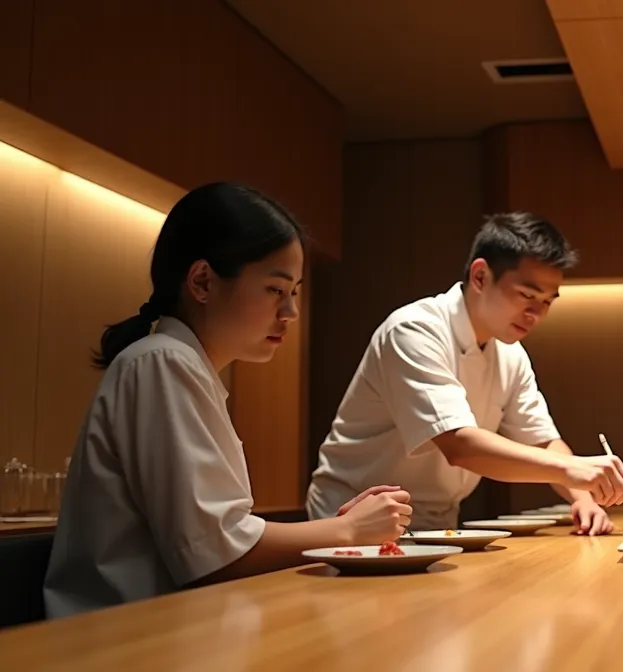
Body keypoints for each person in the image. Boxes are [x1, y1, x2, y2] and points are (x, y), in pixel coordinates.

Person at [44, 183, 413, 619]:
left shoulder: (177, 364)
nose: (291, 312)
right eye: (276, 290)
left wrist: (342, 528)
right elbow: (214, 558)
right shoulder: (162, 362)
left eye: (294, 292)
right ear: (202, 281)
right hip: (125, 643)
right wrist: (348, 529)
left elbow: (217, 541)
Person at [306, 213, 623, 536]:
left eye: (547, 301)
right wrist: (572, 469)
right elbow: (458, 444)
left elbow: (542, 440)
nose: (536, 314)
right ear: (480, 276)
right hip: (352, 516)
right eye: (527, 296)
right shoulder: (414, 330)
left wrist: (582, 497)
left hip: (436, 523)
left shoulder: (510, 352)